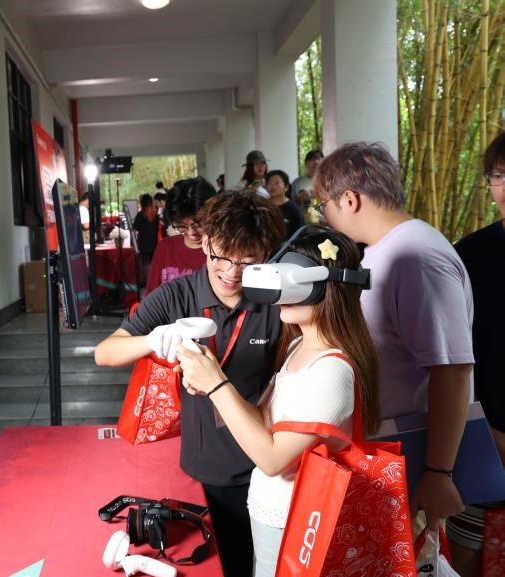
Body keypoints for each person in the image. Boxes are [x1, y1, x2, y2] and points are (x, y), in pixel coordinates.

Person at [95, 192, 286, 577]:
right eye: (221, 257)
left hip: (262, 471)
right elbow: (105, 353)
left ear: (265, 255)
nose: (231, 272)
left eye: (247, 261)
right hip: (200, 468)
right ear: (205, 241)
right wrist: (151, 341)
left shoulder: (276, 303)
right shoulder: (176, 296)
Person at [176, 227, 381, 577]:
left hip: (300, 522)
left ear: (325, 287)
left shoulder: (332, 370)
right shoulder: (298, 346)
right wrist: (212, 385)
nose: (277, 295)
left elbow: (273, 459)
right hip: (271, 513)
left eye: (289, 282)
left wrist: (217, 385)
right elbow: (262, 421)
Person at [313, 142, 474, 531]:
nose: (324, 216)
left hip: (414, 454)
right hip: (390, 449)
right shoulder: (386, 250)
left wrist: (438, 472)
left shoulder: (417, 257)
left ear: (349, 200)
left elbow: (451, 370)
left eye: (323, 205)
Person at [450, 131, 505, 576]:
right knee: (467, 551)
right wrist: (484, 427)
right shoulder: (468, 255)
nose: (504, 186)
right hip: (485, 433)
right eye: (498, 175)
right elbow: (453, 354)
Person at [145, 177, 216, 293]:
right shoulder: (166, 248)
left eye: (199, 224)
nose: (191, 233)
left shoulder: (222, 251)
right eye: (182, 226)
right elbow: (151, 296)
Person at [265, 169, 304, 239]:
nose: (272, 186)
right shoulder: (262, 207)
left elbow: (299, 236)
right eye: (269, 183)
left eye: (277, 183)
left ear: (286, 187)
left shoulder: (294, 210)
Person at [132, 193, 160, 265]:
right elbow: (157, 229)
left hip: (143, 245)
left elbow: (135, 227)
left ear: (142, 203)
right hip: (154, 244)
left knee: (145, 265)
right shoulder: (156, 215)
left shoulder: (140, 215)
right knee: (153, 264)